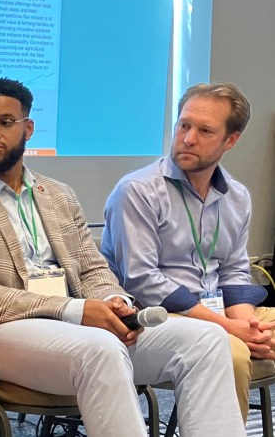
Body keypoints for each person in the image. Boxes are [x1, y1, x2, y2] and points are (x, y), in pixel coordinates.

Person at [0, 78, 246, 436]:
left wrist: (114, 301)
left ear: (28, 128)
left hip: (79, 327)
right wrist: (73, 310)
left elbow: (92, 267)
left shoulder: (57, 194)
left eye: (5, 122)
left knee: (206, 340)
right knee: (101, 348)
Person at [102, 81, 275, 421]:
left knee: (251, 337)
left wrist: (246, 324)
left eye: (205, 130)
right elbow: (142, 281)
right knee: (232, 352)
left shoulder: (236, 196)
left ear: (231, 140)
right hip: (155, 318)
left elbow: (234, 272)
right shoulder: (137, 190)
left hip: (218, 312)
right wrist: (228, 329)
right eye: (184, 125)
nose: (188, 138)